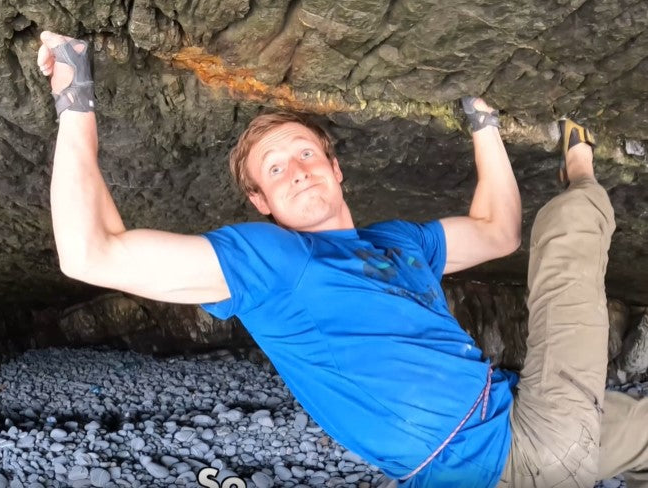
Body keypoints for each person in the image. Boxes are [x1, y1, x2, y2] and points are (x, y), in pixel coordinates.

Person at [37, 30, 648, 487]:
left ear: (335, 168)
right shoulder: (274, 261)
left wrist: (482, 121)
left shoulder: (400, 242)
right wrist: (75, 96)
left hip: (521, 410)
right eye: (275, 169)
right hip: (508, 458)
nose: (298, 171)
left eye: (306, 154)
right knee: (566, 258)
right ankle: (581, 167)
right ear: (261, 201)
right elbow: (93, 253)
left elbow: (497, 233)